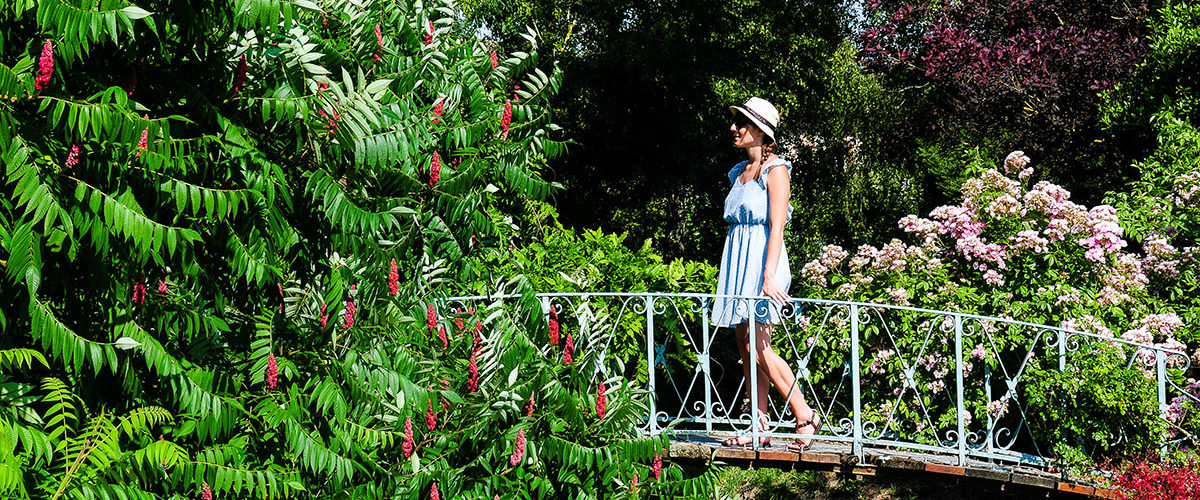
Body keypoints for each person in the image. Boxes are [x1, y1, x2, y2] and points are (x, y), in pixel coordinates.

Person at [712, 97, 821, 451]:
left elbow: (777, 226)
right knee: (745, 346)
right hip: (737, 260)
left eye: (741, 123)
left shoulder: (776, 170)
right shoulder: (739, 172)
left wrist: (769, 276)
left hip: (763, 262)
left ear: (760, 131)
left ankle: (804, 414)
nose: (734, 128)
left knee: (760, 347)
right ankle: (758, 424)